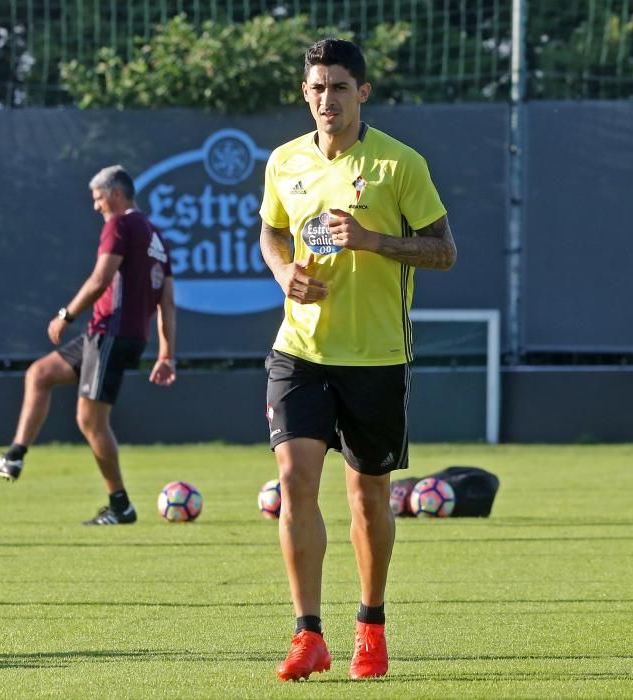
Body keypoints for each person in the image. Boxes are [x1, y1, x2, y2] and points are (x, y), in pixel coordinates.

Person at [259, 38, 457, 681]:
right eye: (316, 87)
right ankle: (306, 634)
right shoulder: (285, 161)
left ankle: (370, 626)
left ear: (361, 93)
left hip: (376, 356)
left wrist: (372, 240)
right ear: (305, 93)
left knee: (369, 498)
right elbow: (271, 230)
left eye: (339, 87)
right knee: (294, 481)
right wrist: (285, 271)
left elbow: (444, 251)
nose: (326, 99)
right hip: (300, 349)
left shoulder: (400, 165)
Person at [0, 165, 177, 526]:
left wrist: (65, 315)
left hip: (112, 333)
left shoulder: (119, 225)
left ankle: (120, 506)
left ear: (117, 194)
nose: (96, 206)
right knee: (39, 374)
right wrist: (166, 353)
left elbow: (101, 278)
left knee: (90, 420)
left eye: (99, 198)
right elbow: (167, 303)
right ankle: (15, 456)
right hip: (112, 334)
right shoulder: (156, 236)